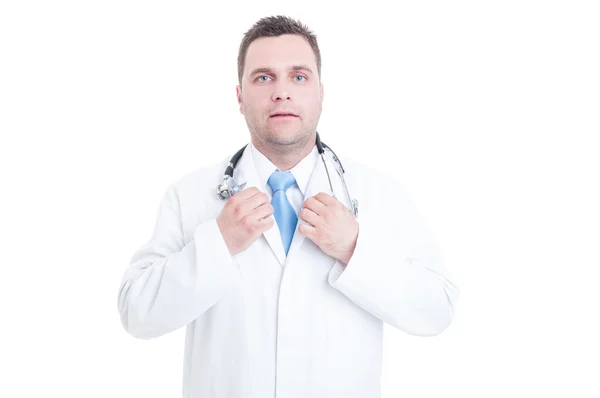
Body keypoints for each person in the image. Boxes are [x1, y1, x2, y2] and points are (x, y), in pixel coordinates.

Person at [117, 15, 460, 398]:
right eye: (263, 78)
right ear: (239, 97)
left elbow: (437, 309)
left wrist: (354, 249)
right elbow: (137, 313)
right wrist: (219, 242)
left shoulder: (380, 193)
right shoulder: (190, 195)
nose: (282, 92)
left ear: (320, 93)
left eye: (298, 76)